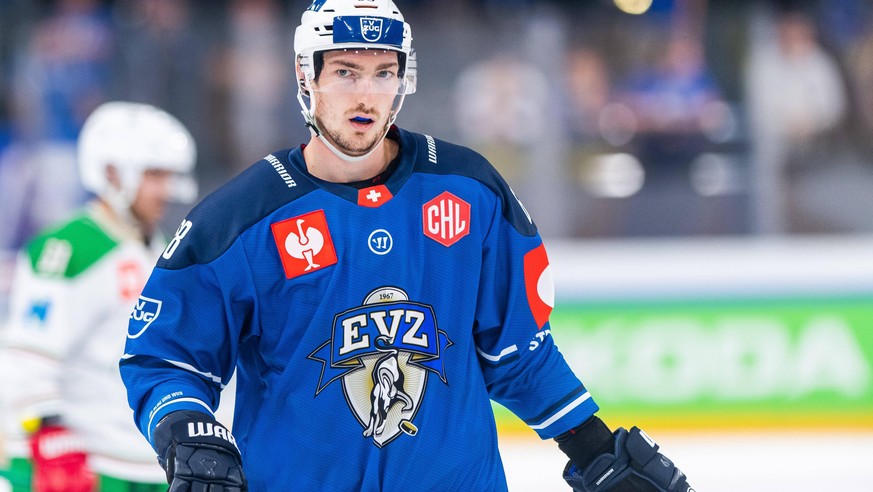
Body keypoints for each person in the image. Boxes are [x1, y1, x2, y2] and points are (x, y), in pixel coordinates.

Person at [119, 1, 694, 491]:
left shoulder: (470, 191)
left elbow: (517, 349)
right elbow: (164, 355)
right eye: (345, 71)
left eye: (382, 71)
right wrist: (185, 427)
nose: (365, 93)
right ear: (307, 76)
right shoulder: (242, 217)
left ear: (403, 77)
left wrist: (591, 446)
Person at [0, 101, 197, 492]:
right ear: (111, 172)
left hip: (139, 458)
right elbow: (27, 354)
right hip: (83, 461)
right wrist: (47, 428)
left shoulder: (155, 245)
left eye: (168, 175)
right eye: (154, 174)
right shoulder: (71, 247)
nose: (166, 189)